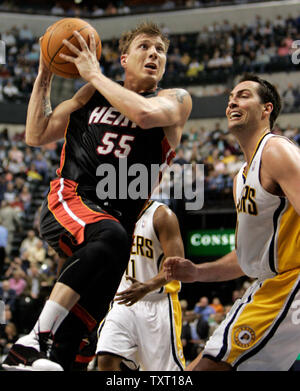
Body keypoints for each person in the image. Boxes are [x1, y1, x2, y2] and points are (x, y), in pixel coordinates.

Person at [3, 22, 192, 371]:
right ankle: (32, 339)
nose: (154, 54)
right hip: (72, 198)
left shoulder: (174, 99)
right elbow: (36, 132)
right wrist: (45, 72)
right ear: (123, 58)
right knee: (108, 235)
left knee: (75, 340)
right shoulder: (91, 94)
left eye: (160, 50)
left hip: (117, 231)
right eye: (145, 47)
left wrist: (95, 75)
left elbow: (145, 115)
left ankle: (34, 360)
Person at [164, 73, 300, 371]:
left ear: (266, 110)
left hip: (291, 283)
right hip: (266, 285)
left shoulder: (276, 150)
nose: (232, 102)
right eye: (230, 98)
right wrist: (197, 272)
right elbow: (246, 259)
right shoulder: (241, 178)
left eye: (243, 95)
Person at [97, 200, 185, 371]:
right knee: (106, 359)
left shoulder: (162, 216)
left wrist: (147, 286)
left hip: (157, 304)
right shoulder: (111, 216)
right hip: (123, 302)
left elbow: (178, 265)